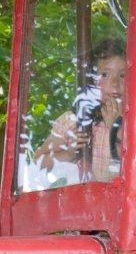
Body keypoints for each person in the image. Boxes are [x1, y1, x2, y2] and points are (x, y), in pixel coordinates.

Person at [36, 38, 125, 182]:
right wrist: (69, 154)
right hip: (82, 195)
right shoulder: (74, 120)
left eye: (122, 75)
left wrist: (115, 128)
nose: (115, 83)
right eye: (105, 75)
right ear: (92, 80)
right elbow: (38, 162)